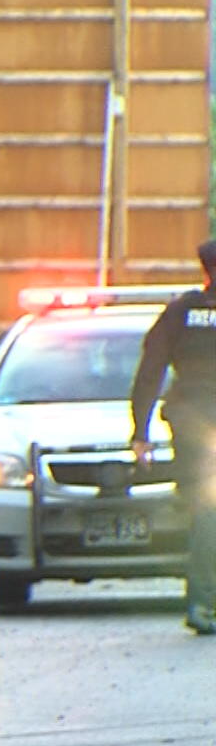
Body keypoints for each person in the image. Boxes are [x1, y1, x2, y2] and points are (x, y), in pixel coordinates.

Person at [131, 239, 216, 635]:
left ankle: (203, 602)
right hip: (202, 430)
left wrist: (141, 431)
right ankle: (203, 601)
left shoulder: (182, 313)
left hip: (190, 426)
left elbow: (151, 369)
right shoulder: (181, 312)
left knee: (206, 511)